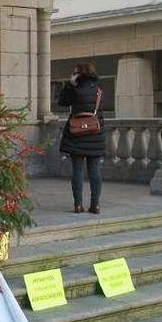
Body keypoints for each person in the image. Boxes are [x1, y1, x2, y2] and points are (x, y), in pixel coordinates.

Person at [58, 63, 105, 214]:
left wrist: (70, 85)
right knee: (95, 171)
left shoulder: (75, 90)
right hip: (94, 134)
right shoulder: (98, 91)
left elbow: (62, 102)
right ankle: (95, 205)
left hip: (76, 133)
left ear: (78, 75)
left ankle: (78, 205)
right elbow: (100, 115)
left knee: (77, 171)